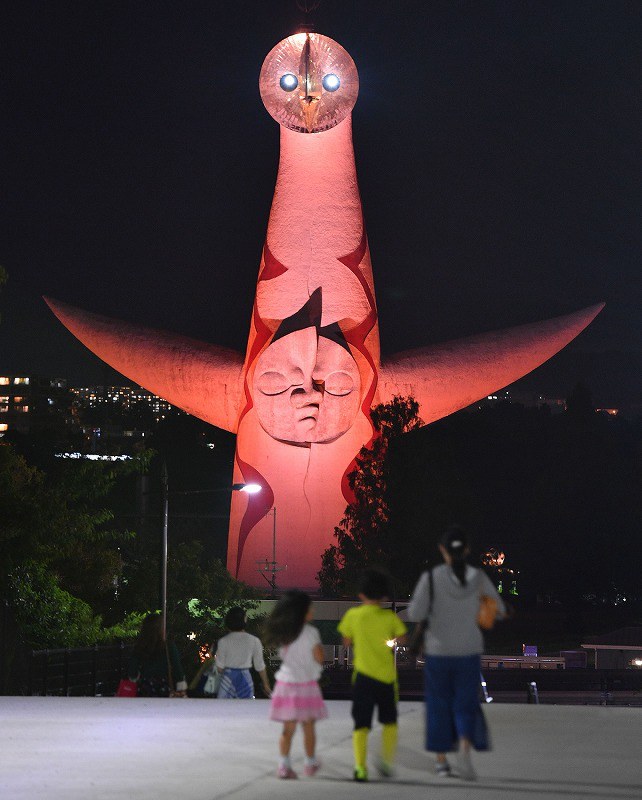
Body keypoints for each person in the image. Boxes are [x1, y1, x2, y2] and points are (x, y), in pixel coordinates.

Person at [407, 525, 505, 781]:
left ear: (442, 550)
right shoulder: (479, 577)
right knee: (465, 705)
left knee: (439, 705)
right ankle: (464, 751)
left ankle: (441, 762)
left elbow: (415, 613)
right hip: (469, 651)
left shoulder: (431, 578)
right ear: (468, 550)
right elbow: (498, 609)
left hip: (438, 653)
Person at [337, 569, 407, 782]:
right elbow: (402, 639)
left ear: (361, 594)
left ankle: (360, 767)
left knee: (361, 724)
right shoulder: (389, 617)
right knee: (389, 722)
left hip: (363, 678)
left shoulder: (353, 615)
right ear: (384, 596)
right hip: (387, 678)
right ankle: (386, 760)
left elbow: (346, 641)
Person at [264, 591, 327, 779]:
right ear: (302, 611)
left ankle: (283, 765)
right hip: (306, 685)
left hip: (286, 684)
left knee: (288, 729)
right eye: (310, 607)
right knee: (308, 727)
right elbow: (320, 657)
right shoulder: (311, 632)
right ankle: (310, 763)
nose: (313, 610)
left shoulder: (285, 633)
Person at [214, 606, 271, 699]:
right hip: (245, 679)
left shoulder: (223, 641)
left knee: (224, 710)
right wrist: (266, 684)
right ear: (245, 620)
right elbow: (260, 666)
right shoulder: (254, 640)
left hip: (227, 679)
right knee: (245, 710)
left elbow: (219, 668)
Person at [128, 613, 187, 697]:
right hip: (164, 688)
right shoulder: (168, 646)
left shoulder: (140, 647)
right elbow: (177, 668)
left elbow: (132, 672)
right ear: (161, 628)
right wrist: (181, 686)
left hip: (144, 688)